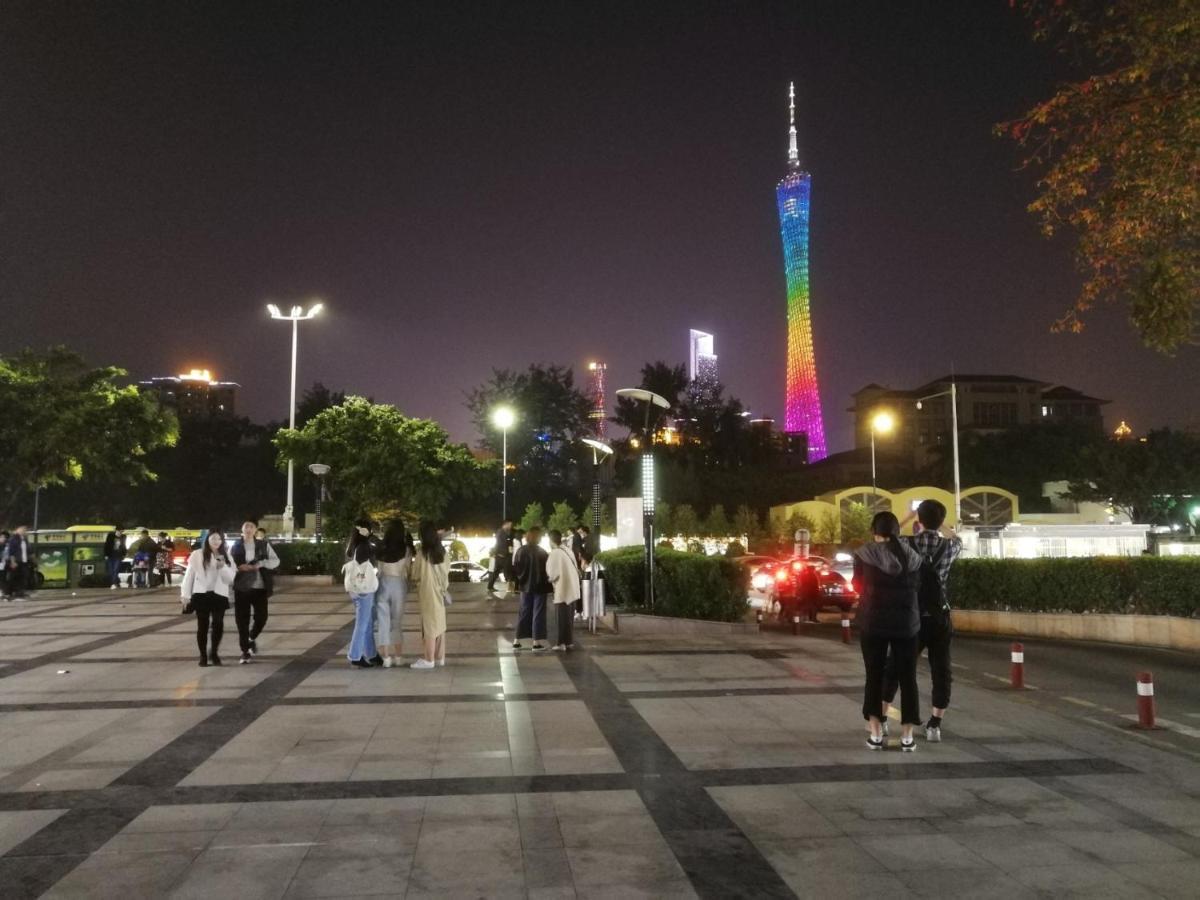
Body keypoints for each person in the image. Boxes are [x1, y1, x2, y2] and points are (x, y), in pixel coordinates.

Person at [882, 500, 963, 742]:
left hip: (910, 618)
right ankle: (935, 725)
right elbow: (957, 538)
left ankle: (883, 719)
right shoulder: (949, 547)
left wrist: (909, 519)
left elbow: (889, 537)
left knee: (895, 667)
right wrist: (943, 525)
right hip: (939, 618)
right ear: (940, 520)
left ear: (920, 519)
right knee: (941, 670)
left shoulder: (907, 544)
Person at [854, 511, 923, 752]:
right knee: (908, 678)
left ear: (874, 531)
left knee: (873, 676)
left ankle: (875, 734)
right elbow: (918, 587)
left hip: (873, 622)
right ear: (897, 531)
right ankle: (907, 737)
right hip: (907, 624)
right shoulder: (912, 556)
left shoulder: (864, 554)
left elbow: (856, 585)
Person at [180, 529, 236, 666]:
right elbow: (189, 576)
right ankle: (203, 656)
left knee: (218, 624)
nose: (216, 541)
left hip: (219, 594)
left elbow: (230, 579)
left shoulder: (226, 556)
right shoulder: (197, 554)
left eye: (219, 539)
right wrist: (185, 595)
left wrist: (222, 567)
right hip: (201, 594)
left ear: (222, 541)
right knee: (202, 626)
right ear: (207, 539)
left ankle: (214, 652)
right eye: (213, 538)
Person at [230, 520, 280, 665]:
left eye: (251, 526)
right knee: (242, 621)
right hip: (242, 588)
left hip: (260, 587)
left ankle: (251, 638)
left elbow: (276, 561)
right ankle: (245, 651)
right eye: (246, 526)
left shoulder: (263, 545)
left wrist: (261, 563)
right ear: (242, 529)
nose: (249, 529)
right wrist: (239, 567)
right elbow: (228, 563)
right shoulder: (235, 546)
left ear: (256, 529)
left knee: (262, 618)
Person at [410, 519, 449, 669]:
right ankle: (440, 657)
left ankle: (429, 659)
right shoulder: (442, 552)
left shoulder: (423, 553)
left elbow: (415, 574)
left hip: (427, 592)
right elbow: (446, 572)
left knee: (429, 626)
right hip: (440, 591)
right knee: (439, 624)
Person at [375, 520, 414, 668]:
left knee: (383, 623)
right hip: (399, 585)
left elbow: (379, 569)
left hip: (383, 583)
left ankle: (386, 658)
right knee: (397, 622)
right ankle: (398, 657)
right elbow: (407, 569)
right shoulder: (406, 549)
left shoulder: (381, 547)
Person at [343, 520, 380, 668]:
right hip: (364, 590)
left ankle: (371, 654)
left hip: (356, 590)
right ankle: (355, 655)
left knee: (368, 622)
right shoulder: (364, 546)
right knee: (362, 624)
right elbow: (381, 549)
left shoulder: (352, 547)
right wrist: (371, 536)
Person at [512, 526, 550, 651]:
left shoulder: (521, 551)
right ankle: (536, 642)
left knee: (524, 612)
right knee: (538, 613)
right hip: (540, 587)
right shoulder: (542, 552)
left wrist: (521, 581)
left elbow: (516, 568)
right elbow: (547, 571)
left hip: (525, 587)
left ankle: (517, 640)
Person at [546, 529, 581, 651]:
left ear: (551, 540)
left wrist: (549, 579)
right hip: (573, 589)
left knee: (561, 618)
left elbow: (552, 574)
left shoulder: (555, 553)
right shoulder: (567, 550)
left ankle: (561, 643)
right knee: (569, 618)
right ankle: (569, 642)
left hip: (563, 589)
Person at [486, 519, 514, 593]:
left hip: (502, 555)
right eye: (509, 525)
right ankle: (509, 588)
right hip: (501, 555)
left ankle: (490, 586)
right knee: (506, 571)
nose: (510, 526)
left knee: (498, 572)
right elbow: (501, 544)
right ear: (505, 524)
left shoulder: (506, 532)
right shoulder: (501, 532)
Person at [5, 526, 31, 601]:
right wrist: (13, 562)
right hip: (16, 561)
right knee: (13, 578)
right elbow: (11, 552)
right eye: (23, 530)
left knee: (23, 577)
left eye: (25, 530)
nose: (25, 532)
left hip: (24, 561)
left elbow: (28, 550)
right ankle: (8, 594)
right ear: (18, 530)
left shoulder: (25, 540)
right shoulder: (14, 539)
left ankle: (19, 593)